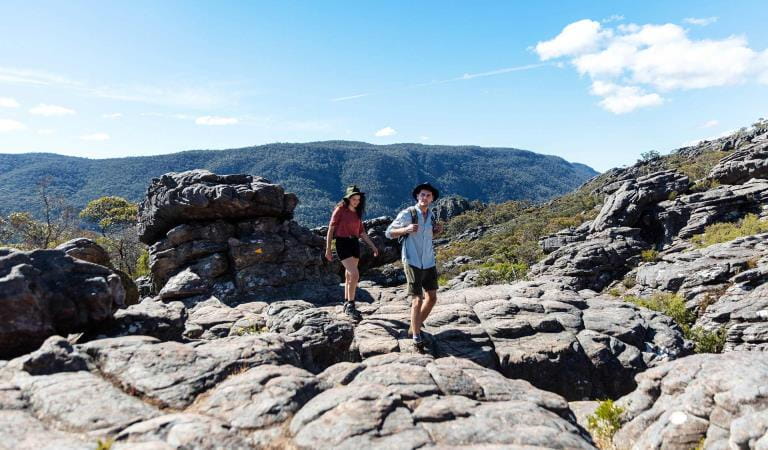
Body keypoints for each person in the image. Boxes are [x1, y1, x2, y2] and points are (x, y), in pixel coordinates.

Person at [385, 182, 443, 350]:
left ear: (432, 199)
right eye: (422, 195)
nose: (425, 198)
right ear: (418, 197)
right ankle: (416, 336)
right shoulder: (408, 214)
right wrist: (406, 229)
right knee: (417, 298)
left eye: (428, 195)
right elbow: (389, 233)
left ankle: (413, 327)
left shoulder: (431, 216)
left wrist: (437, 231)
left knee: (432, 297)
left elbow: (428, 236)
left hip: (429, 260)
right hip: (412, 260)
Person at [325, 185, 379, 321]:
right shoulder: (340, 210)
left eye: (358, 199)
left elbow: (362, 232)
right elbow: (330, 230)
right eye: (354, 199)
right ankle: (351, 304)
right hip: (342, 243)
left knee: (349, 275)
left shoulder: (357, 212)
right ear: (348, 198)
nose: (356, 201)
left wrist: (373, 247)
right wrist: (328, 249)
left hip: (354, 244)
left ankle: (346, 302)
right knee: (355, 274)